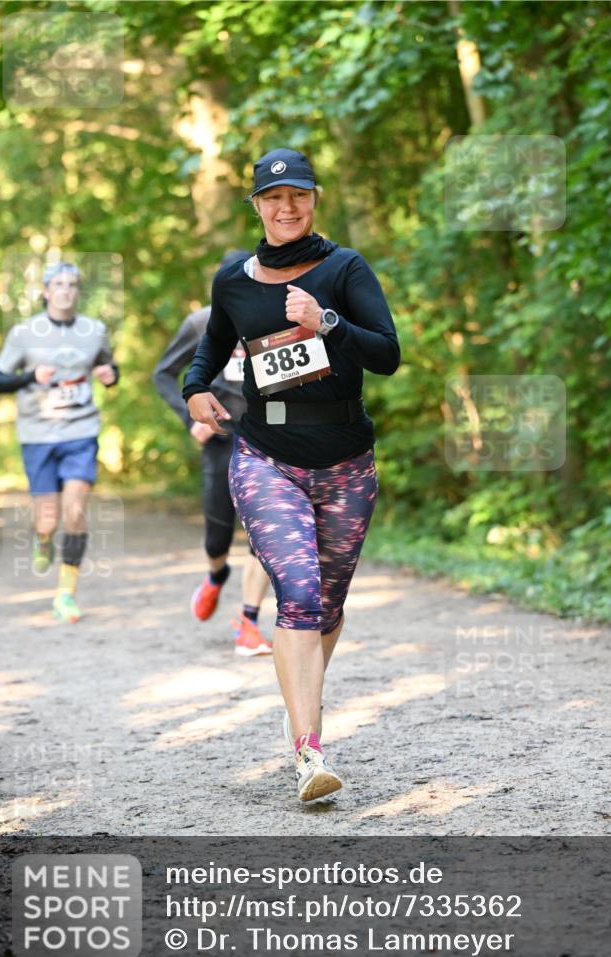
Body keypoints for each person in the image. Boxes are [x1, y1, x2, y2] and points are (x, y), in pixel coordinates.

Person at [183, 148, 400, 802]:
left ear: (314, 198)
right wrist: (196, 390)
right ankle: (309, 751)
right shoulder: (233, 279)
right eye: (273, 198)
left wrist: (325, 321)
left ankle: (297, 707)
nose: (287, 207)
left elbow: (387, 354)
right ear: (255, 205)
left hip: (345, 460)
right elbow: (211, 349)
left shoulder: (344, 269)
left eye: (298, 195)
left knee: (327, 605)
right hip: (265, 456)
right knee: (298, 594)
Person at [152, 251, 273, 657]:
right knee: (218, 535)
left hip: (268, 439)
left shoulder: (276, 319)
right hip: (221, 437)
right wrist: (192, 420)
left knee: (264, 536)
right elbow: (162, 373)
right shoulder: (202, 322)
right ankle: (216, 574)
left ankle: (249, 624)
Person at [0, 261, 119, 623]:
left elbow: (109, 368)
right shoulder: (23, 333)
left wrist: (110, 376)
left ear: (78, 291)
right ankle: (43, 537)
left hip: (81, 431)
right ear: (46, 291)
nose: (66, 290)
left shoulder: (94, 330)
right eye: (58, 284)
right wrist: (31, 375)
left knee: (75, 511)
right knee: (47, 519)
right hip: (38, 434)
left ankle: (66, 595)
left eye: (72, 284)